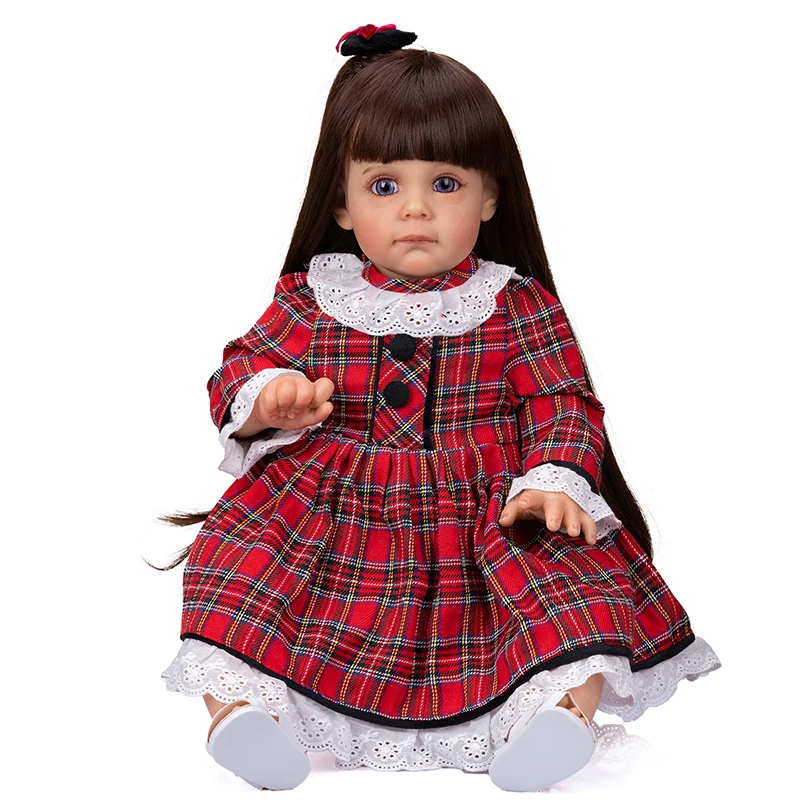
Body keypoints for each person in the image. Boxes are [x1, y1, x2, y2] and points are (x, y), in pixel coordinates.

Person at [155, 24, 721, 792]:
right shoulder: (312, 299)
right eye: (385, 186)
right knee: (236, 569)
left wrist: (551, 478)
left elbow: (562, 400)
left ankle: (558, 719)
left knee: (572, 585)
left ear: (489, 196)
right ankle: (243, 717)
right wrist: (267, 398)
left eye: (446, 184)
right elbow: (237, 369)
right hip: (333, 511)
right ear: (342, 203)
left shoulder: (515, 304)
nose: (415, 209)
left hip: (490, 514)